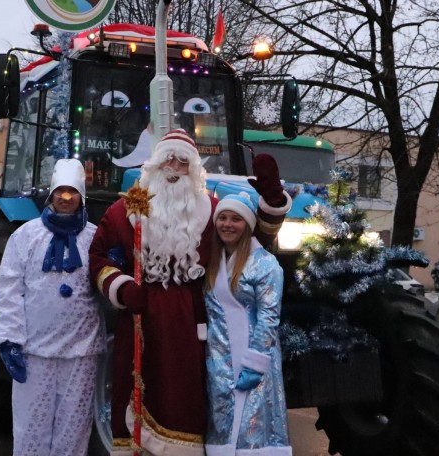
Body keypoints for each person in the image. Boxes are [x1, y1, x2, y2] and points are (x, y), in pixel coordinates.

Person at [89, 129, 291, 455]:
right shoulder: (124, 211)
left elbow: (250, 242)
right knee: (134, 392)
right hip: (140, 318)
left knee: (185, 397)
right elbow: (98, 258)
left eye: (183, 161)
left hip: (191, 320)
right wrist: (122, 288)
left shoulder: (211, 211)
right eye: (168, 158)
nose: (174, 166)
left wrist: (272, 204)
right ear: (155, 163)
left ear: (193, 169)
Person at [0, 159, 105, 456]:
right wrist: (9, 339)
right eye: (60, 191)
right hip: (34, 351)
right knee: (31, 428)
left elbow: (105, 281)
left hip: (81, 352)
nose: (66, 198)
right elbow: (8, 288)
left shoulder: (94, 238)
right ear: (51, 193)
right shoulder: (26, 236)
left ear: (82, 196)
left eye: (72, 192)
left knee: (74, 429)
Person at [203, 193, 292, 455]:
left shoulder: (265, 263)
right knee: (223, 428)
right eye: (222, 217)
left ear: (248, 225)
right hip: (219, 363)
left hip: (252, 361)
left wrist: (254, 364)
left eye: (236, 219)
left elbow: (269, 316)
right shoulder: (212, 262)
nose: (227, 224)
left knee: (252, 430)